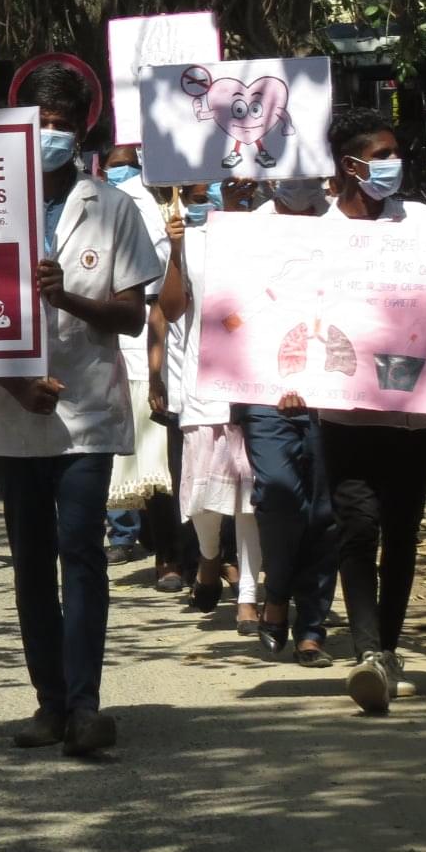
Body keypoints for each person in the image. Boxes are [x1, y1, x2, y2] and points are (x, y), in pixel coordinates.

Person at [0, 62, 161, 757]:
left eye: (63, 126)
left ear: (84, 132)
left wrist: (66, 298)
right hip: (11, 407)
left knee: (80, 551)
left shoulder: (113, 208)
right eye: (39, 123)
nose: (50, 135)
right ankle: (48, 702)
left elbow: (134, 316)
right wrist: (14, 382)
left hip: (83, 407)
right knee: (29, 560)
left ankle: (85, 706)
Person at [306, 109, 426, 716]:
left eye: (397, 152)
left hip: (415, 414)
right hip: (346, 414)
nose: (393, 163)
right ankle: (367, 653)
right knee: (356, 529)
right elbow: (291, 314)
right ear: (351, 165)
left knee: (401, 533)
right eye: (382, 154)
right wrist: (288, 378)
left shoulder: (420, 221)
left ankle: (388, 647)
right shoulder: (319, 235)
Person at [231, 176, 339, 665]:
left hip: (333, 389)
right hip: (265, 393)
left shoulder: (343, 228)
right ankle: (277, 595)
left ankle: (312, 622)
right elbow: (231, 313)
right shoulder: (247, 231)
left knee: (324, 508)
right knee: (276, 494)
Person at [155, 181, 263, 632]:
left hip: (256, 384)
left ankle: (249, 596)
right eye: (201, 197)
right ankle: (209, 555)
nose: (213, 203)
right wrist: (177, 252)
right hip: (204, 387)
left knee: (250, 499)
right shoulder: (187, 243)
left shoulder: (265, 235)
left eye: (226, 192)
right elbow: (171, 309)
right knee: (203, 494)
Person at [99, 143, 173, 567]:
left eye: (130, 165)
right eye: (116, 165)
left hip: (157, 326)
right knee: (122, 443)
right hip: (120, 330)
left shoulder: (169, 209)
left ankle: (166, 545)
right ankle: (123, 530)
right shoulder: (106, 207)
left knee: (156, 447)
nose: (124, 172)